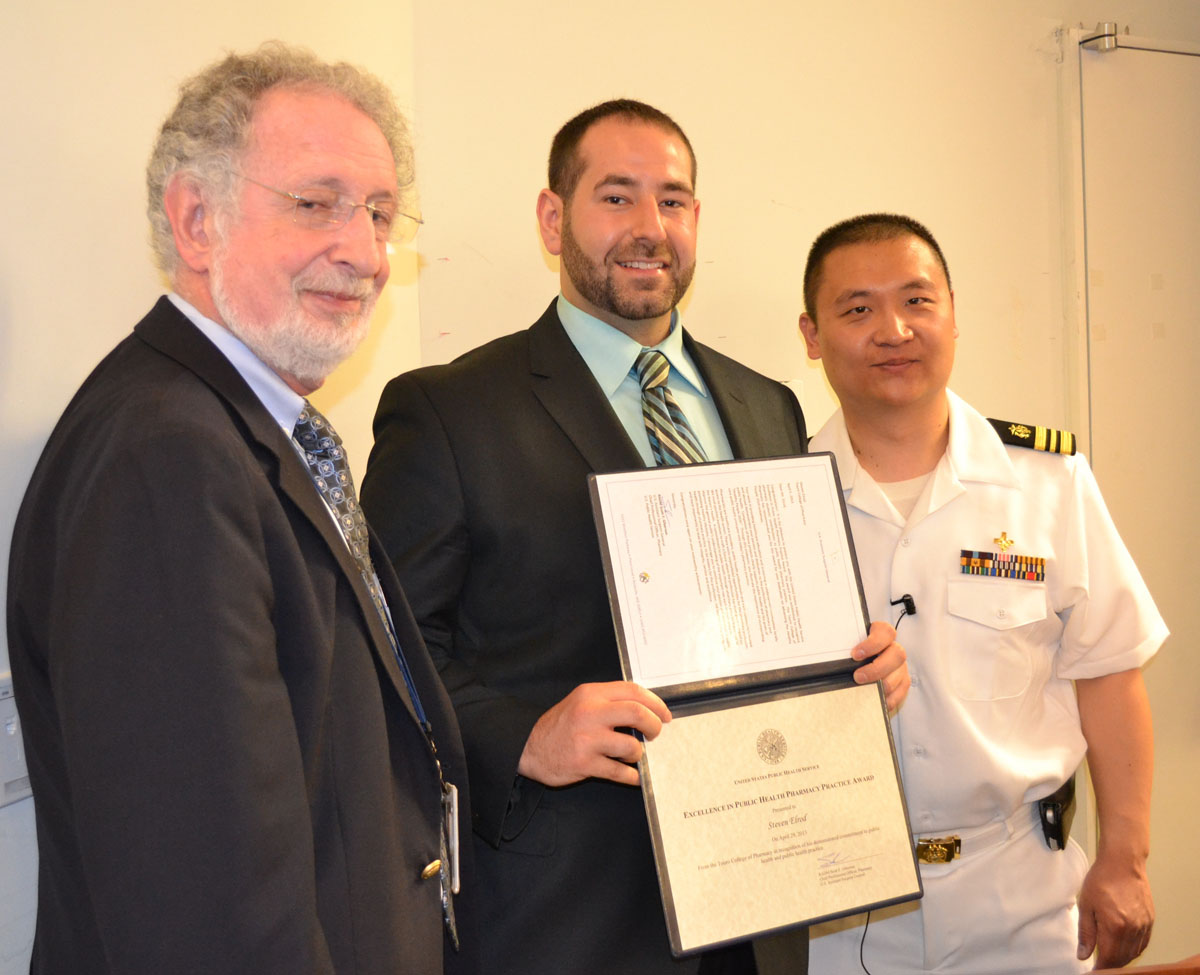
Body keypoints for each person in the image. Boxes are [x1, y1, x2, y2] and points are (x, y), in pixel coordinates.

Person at [360, 100, 909, 975]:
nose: (651, 228)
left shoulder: (771, 405)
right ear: (553, 217)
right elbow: (384, 655)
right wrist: (526, 736)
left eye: (675, 201)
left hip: (761, 910)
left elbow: (776, 627)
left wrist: (855, 669)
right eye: (617, 198)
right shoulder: (450, 411)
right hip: (564, 921)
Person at [7, 43, 472, 975]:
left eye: (381, 213)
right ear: (195, 220)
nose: (365, 250)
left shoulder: (247, 428)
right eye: (316, 203)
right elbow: (202, 896)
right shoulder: (166, 457)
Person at [791, 213, 1166, 974]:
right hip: (835, 908)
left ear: (954, 314)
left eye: (917, 301)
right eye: (857, 309)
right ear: (811, 334)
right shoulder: (777, 500)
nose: (893, 329)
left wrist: (1125, 858)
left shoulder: (1047, 484)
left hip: (1018, 893)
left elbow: (1111, 672)